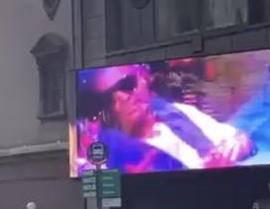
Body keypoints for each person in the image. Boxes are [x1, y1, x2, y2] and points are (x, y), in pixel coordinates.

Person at [76, 65, 253, 174]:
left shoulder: (179, 112)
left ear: (144, 79)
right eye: (109, 99)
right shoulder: (110, 159)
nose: (123, 98)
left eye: (127, 84)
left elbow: (240, 140)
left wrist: (237, 144)